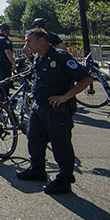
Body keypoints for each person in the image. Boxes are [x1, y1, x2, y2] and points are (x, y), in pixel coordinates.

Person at [16, 28, 92, 194]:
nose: (26, 44)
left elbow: (85, 79)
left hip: (56, 109)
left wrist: (65, 96)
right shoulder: (39, 57)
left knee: (60, 144)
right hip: (39, 106)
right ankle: (38, 170)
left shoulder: (60, 56)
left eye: (29, 41)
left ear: (42, 40)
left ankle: (65, 179)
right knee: (34, 139)